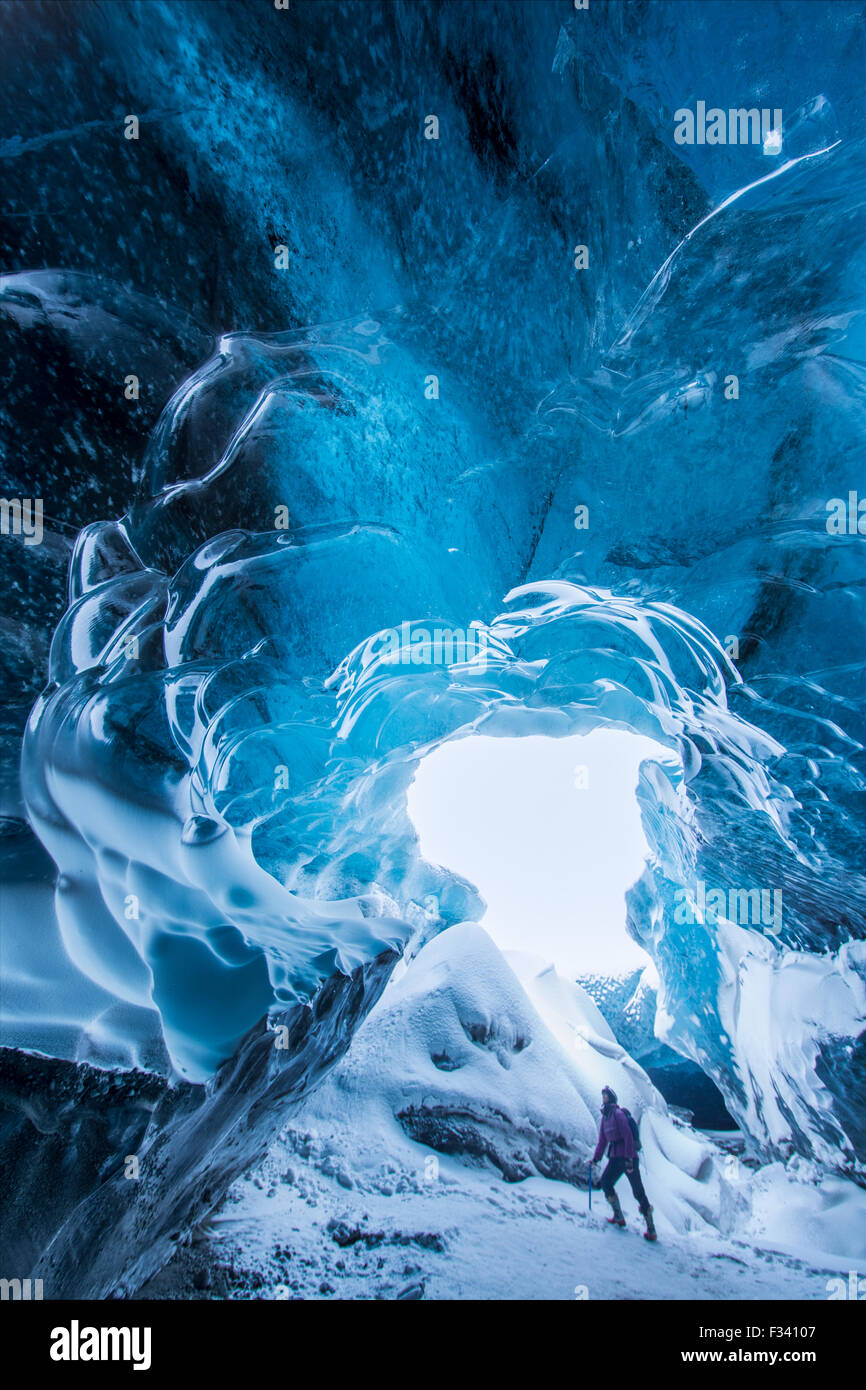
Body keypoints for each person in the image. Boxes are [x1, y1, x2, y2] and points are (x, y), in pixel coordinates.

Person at [589, 1085, 657, 1241]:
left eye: (606, 1096)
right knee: (606, 1182)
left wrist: (629, 1159)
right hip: (616, 1157)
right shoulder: (605, 1118)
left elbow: (627, 1136)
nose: (603, 1098)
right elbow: (602, 1141)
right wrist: (596, 1158)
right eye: (603, 1096)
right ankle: (618, 1216)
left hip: (627, 1158)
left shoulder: (618, 1114)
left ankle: (651, 1228)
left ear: (611, 1098)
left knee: (637, 1191)